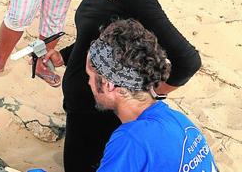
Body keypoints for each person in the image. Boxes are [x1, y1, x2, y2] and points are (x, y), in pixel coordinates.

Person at [40, 0, 202, 172]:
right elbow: (99, 33)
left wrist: (153, 94)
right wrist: (64, 55)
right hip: (82, 103)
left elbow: (188, 60)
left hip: (99, 111)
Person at [86, 19, 218, 172]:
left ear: (109, 85)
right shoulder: (178, 119)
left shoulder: (132, 140)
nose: (89, 83)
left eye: (89, 76)